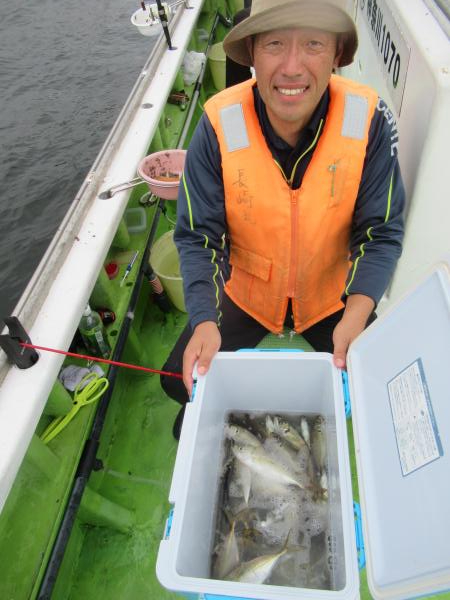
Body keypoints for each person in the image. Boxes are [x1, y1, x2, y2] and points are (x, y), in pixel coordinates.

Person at [161, 0, 405, 439]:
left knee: (386, 390)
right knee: (176, 381)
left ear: (336, 54)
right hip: (249, 295)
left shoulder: (368, 119)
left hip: (333, 297)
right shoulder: (216, 124)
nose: (292, 67)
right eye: (275, 44)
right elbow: (199, 237)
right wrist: (204, 319)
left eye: (313, 44)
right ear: (252, 53)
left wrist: (357, 313)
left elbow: (381, 232)